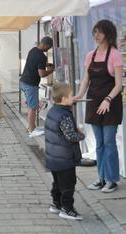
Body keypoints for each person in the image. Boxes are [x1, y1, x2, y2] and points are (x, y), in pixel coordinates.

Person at [75, 20, 123, 193]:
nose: (96, 35)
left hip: (110, 104)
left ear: (108, 34)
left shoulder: (115, 54)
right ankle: (101, 177)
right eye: (94, 32)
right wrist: (79, 95)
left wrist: (108, 99)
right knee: (99, 143)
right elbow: (86, 79)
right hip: (94, 103)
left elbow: (119, 84)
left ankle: (112, 179)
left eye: (99, 32)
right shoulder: (90, 55)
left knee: (109, 142)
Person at [45, 83, 85, 220]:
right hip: (64, 158)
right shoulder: (65, 116)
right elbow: (71, 136)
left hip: (53, 157)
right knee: (68, 184)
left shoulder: (52, 111)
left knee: (57, 182)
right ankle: (67, 209)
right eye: (71, 95)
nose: (73, 97)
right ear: (63, 99)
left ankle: (56, 204)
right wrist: (81, 134)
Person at [20, 36, 55, 138]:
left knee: (32, 106)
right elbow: (42, 74)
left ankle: (31, 126)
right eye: (49, 47)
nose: (48, 50)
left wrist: (48, 65)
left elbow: (35, 63)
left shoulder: (33, 50)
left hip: (24, 81)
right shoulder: (41, 56)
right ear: (45, 45)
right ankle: (32, 130)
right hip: (30, 84)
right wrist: (51, 70)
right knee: (32, 107)